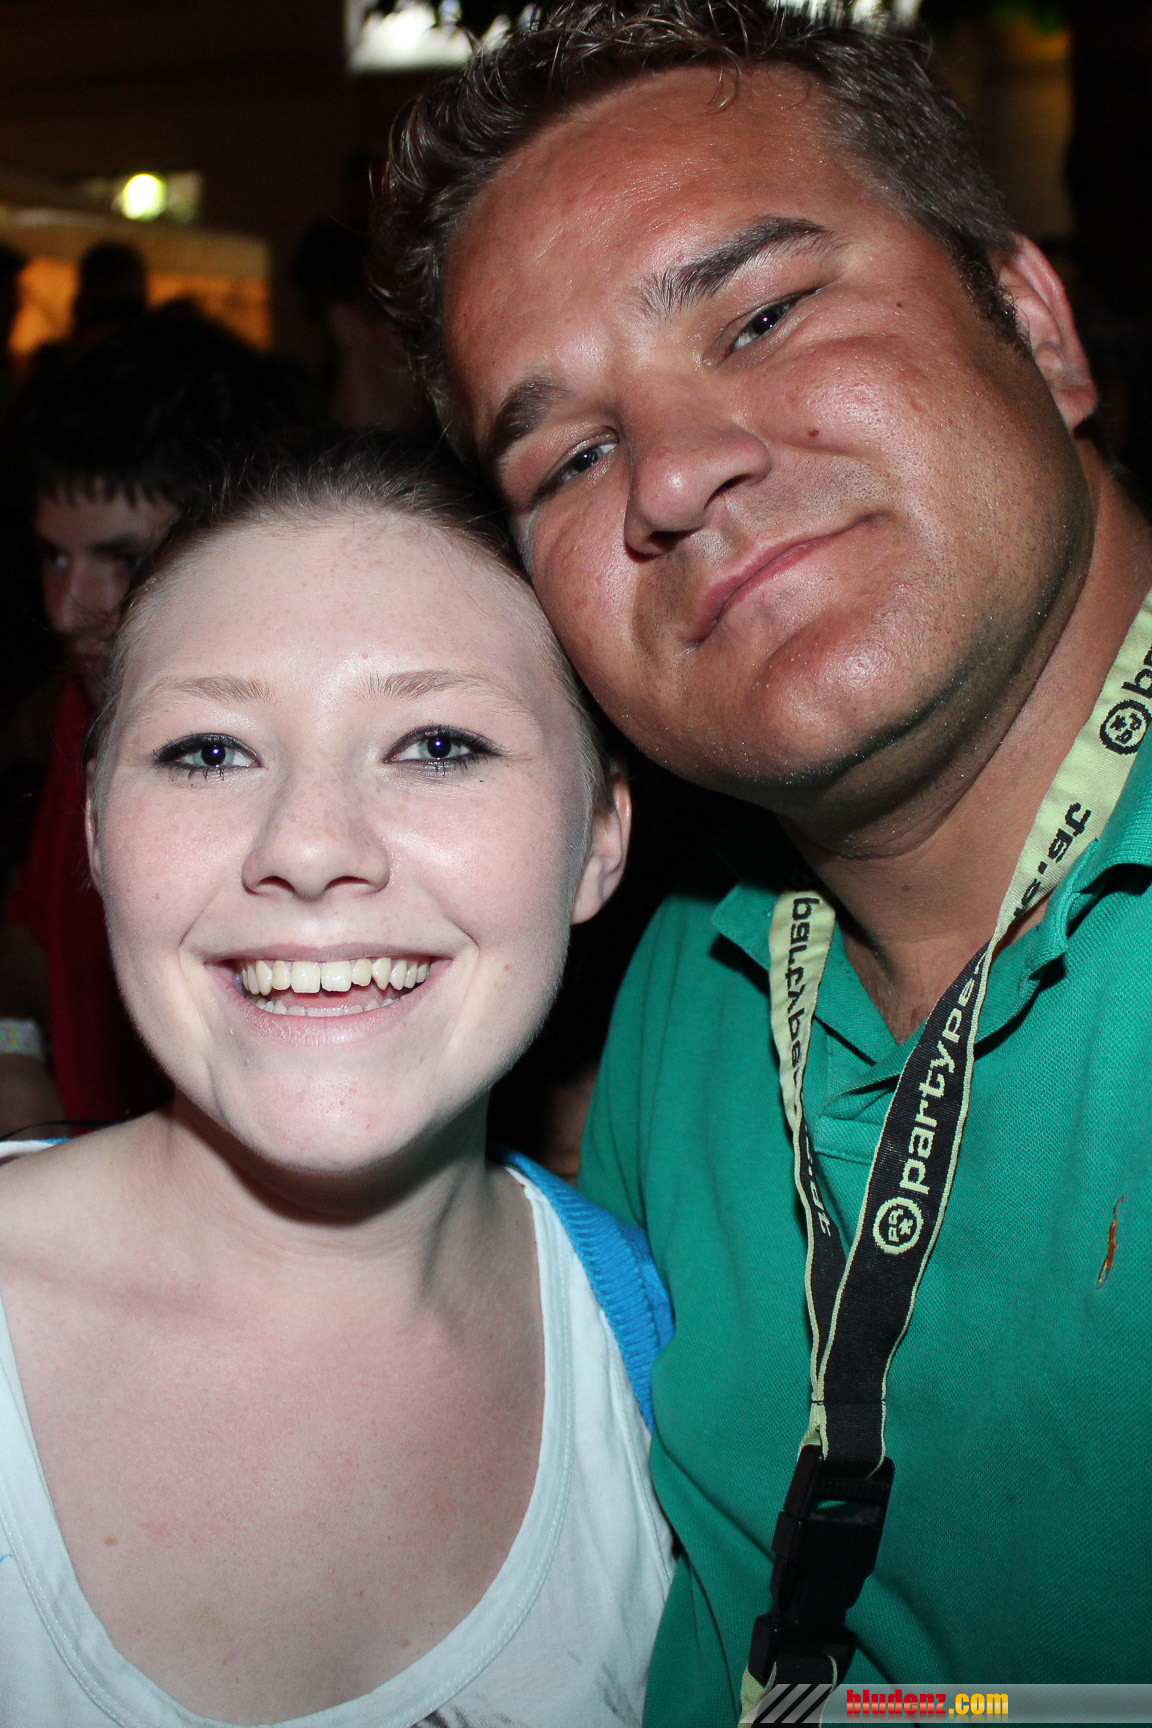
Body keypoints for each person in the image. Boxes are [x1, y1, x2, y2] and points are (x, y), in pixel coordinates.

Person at [377, 1, 1152, 1720]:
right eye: (571, 455)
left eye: (761, 315)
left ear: (1033, 324)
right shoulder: (677, 979)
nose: (670, 473)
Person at [0, 431, 673, 1727]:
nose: (309, 848)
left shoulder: (688, 1390)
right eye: (209, 752)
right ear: (93, 833)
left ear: (601, 834)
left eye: (437, 744)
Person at [0, 302, 317, 1139]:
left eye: (124, 559)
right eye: (54, 556)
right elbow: (32, 936)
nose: (68, 608)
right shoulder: (90, 706)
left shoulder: (298, 757)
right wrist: (13, 1049)